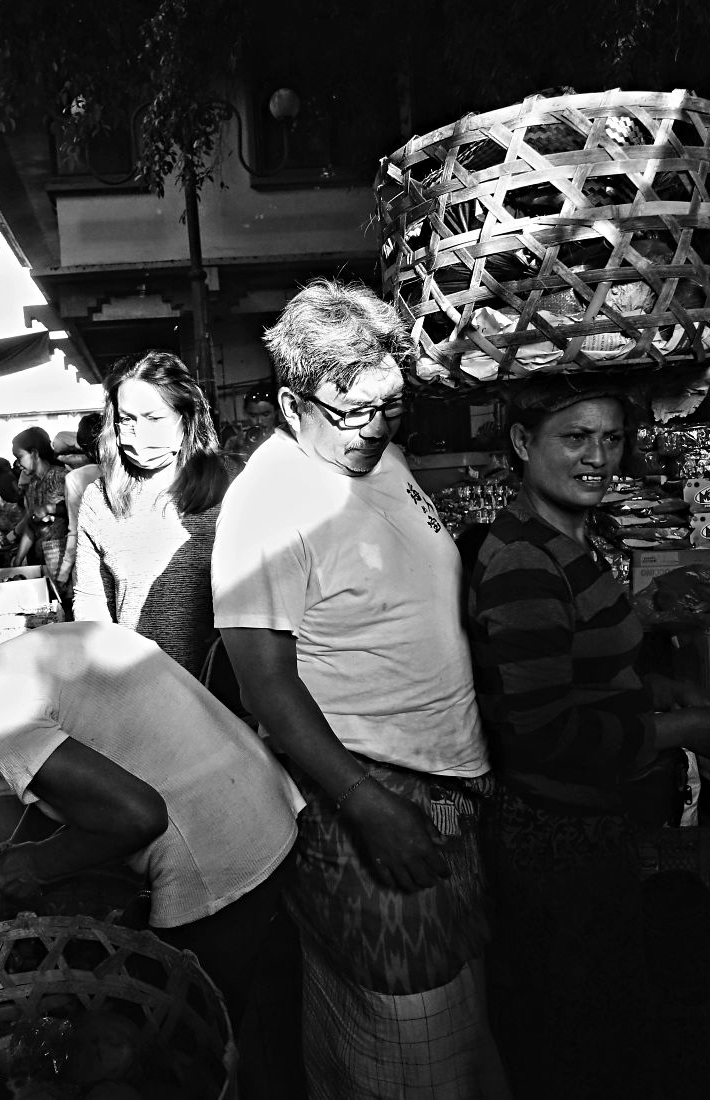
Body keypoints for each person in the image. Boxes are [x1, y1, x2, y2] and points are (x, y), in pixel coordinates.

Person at [212, 279, 507, 1100]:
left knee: (453, 1024)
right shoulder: (268, 507)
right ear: (289, 401)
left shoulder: (379, 455)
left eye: (389, 406)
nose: (374, 428)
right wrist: (369, 808)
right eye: (351, 411)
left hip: (444, 782)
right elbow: (268, 692)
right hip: (366, 794)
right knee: (407, 1038)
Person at [0, 617, 304, 1028]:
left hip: (219, 853)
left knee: (184, 1026)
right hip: (261, 799)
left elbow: (138, 816)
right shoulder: (11, 660)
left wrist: (38, 863)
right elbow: (66, 789)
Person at [467, 377, 710, 1099]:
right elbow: (545, 735)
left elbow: (583, 665)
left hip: (591, 823)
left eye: (611, 438)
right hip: (555, 836)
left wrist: (653, 687)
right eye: (575, 438)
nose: (599, 456)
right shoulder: (521, 564)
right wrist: (687, 727)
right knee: (582, 1038)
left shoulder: (572, 537)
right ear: (521, 443)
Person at [74, 351, 237, 678]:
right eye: (126, 419)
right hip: (140, 689)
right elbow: (90, 599)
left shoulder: (232, 486)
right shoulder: (100, 498)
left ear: (185, 417)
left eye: (154, 418)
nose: (136, 433)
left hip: (225, 694)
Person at [11, 427, 67, 579]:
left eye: (19, 457)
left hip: (62, 558)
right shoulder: (32, 486)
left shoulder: (62, 477)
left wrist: (50, 508)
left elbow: (76, 511)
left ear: (34, 454)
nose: (17, 463)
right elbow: (30, 526)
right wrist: (18, 559)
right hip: (40, 559)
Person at [57, 412, 102, 587]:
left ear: (82, 445)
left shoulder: (76, 478)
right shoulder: (125, 471)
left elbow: (75, 530)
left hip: (90, 566)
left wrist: (64, 572)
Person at [225, 386, 278, 460]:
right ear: (245, 413)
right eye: (253, 415)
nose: (259, 421)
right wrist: (237, 450)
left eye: (265, 415)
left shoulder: (284, 439)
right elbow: (228, 469)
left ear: (275, 412)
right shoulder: (233, 442)